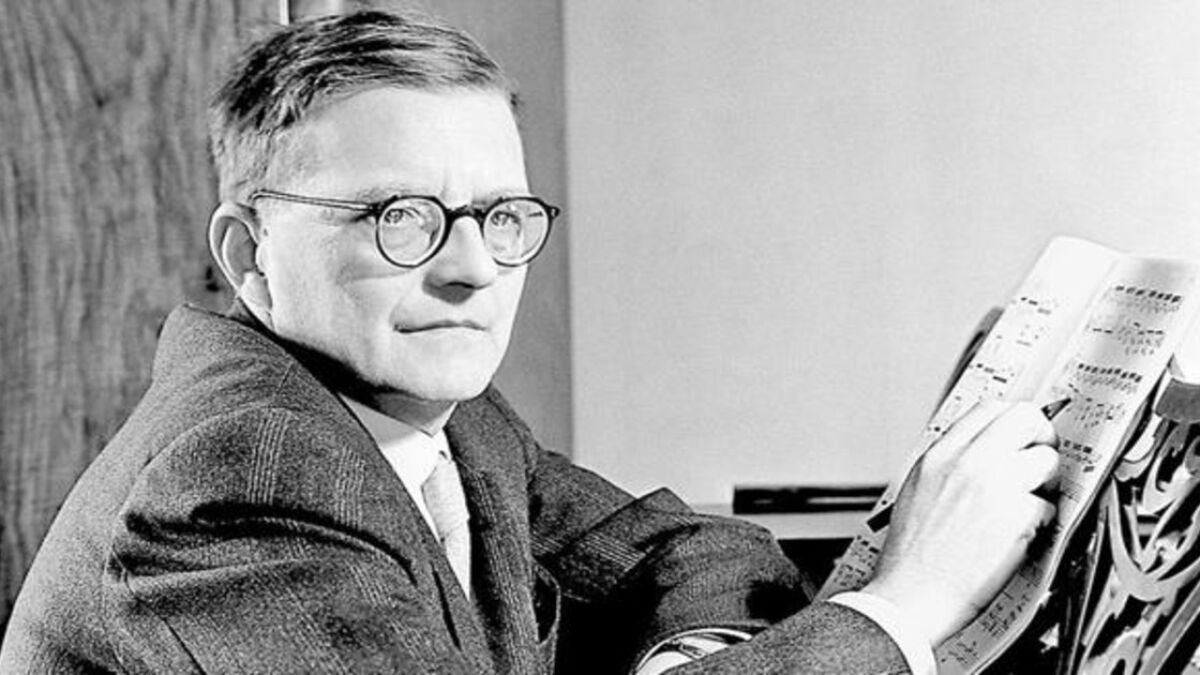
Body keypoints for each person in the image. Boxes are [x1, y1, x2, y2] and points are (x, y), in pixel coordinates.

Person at [0, 9, 1060, 674]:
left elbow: (676, 548)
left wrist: (689, 658)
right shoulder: (245, 472)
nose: (472, 269)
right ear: (249, 252)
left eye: (501, 216)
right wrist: (907, 602)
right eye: (400, 217)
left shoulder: (421, 412)